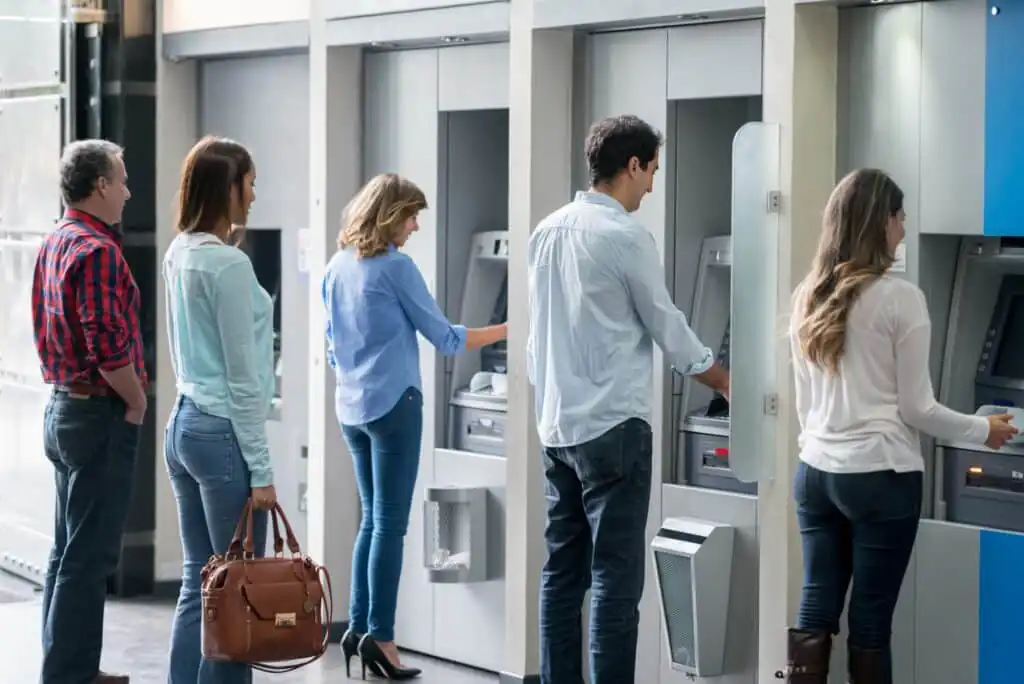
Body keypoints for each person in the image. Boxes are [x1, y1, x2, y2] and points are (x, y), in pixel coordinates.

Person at [785, 168, 1018, 684]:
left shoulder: (808, 295)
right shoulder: (899, 299)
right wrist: (984, 431)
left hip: (816, 473)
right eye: (900, 216)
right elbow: (918, 408)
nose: (904, 228)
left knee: (816, 606)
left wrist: (826, 446)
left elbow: (805, 404)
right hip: (880, 476)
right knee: (870, 621)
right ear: (880, 222)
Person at [527, 115, 731, 684]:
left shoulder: (546, 231)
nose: (651, 186)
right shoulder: (625, 237)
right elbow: (668, 327)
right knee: (615, 582)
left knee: (561, 576)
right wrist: (724, 381)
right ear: (632, 165)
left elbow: (535, 338)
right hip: (614, 429)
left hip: (557, 429)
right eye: (652, 172)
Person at [323, 173, 507, 680]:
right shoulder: (396, 268)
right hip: (394, 406)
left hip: (352, 409)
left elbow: (333, 347)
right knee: (390, 525)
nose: (415, 226)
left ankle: (357, 629)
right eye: (411, 216)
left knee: (371, 521)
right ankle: (382, 637)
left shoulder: (337, 267)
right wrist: (511, 328)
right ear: (390, 215)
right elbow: (445, 338)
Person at [162, 136, 277, 684]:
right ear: (226, 188)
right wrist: (263, 469)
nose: (253, 195)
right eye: (249, 183)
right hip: (221, 430)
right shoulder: (228, 265)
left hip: (184, 423)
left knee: (199, 580)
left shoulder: (179, 252)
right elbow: (243, 379)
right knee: (235, 589)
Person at [32, 139, 143, 684]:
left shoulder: (56, 238)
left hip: (62, 407)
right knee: (89, 555)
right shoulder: (97, 250)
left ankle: (68, 666)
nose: (127, 192)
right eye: (121, 181)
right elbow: (106, 342)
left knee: (67, 550)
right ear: (100, 185)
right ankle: (70, 674)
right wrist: (137, 398)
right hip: (97, 412)